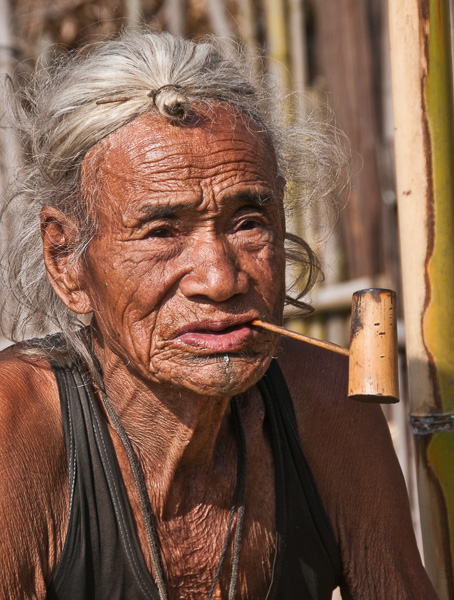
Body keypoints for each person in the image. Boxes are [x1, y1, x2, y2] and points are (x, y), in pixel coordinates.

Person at [0, 31, 438, 600]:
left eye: (248, 221)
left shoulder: (326, 402)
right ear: (66, 260)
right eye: (162, 232)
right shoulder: (16, 430)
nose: (221, 279)